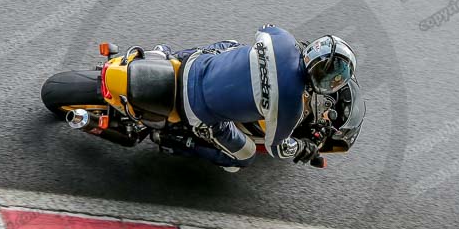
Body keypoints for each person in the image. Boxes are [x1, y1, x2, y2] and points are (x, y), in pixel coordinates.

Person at [153, 25, 356, 172]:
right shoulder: (291, 108)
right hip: (196, 109)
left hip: (195, 64)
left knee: (232, 44)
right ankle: (174, 141)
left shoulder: (283, 39)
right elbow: (277, 149)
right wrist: (302, 147)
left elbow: (263, 29)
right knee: (245, 156)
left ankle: (169, 55)